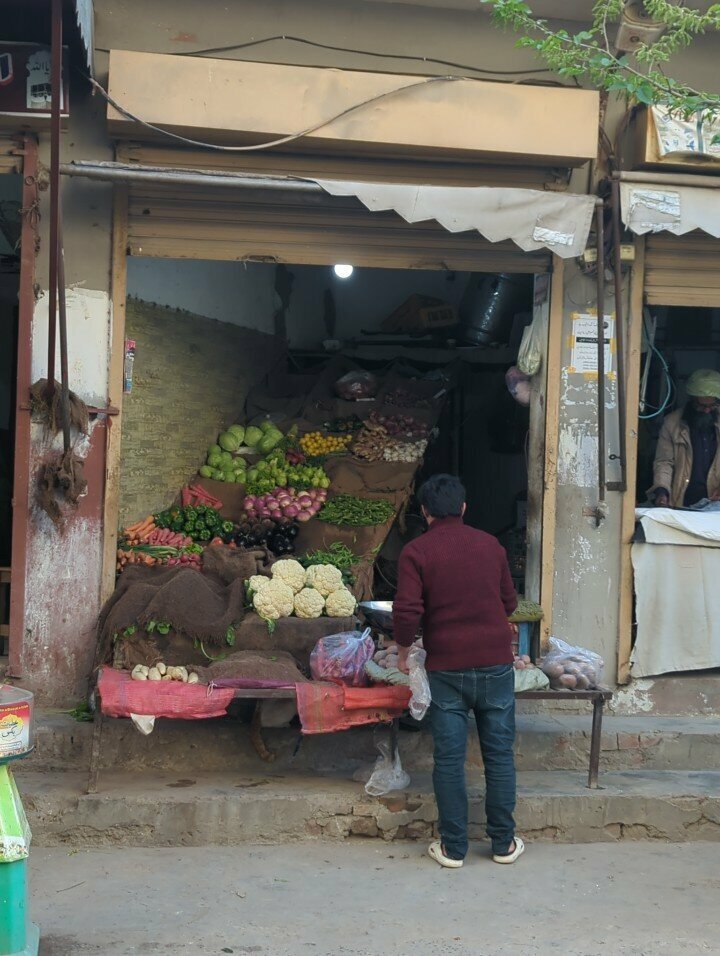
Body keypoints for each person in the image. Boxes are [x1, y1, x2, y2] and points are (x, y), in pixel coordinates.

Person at [393, 474, 523, 869]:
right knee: (498, 754)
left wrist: (403, 651)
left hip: (447, 668)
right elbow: (510, 603)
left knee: (449, 759)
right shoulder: (491, 546)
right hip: (496, 665)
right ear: (464, 508)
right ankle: (503, 844)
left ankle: (453, 848)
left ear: (425, 511)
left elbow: (407, 611)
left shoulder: (416, 551)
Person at [652, 369, 720, 508]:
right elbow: (664, 462)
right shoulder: (672, 423)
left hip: (715, 504)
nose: (707, 410)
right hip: (681, 501)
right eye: (702, 406)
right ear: (692, 400)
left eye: (712, 405)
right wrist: (662, 491)